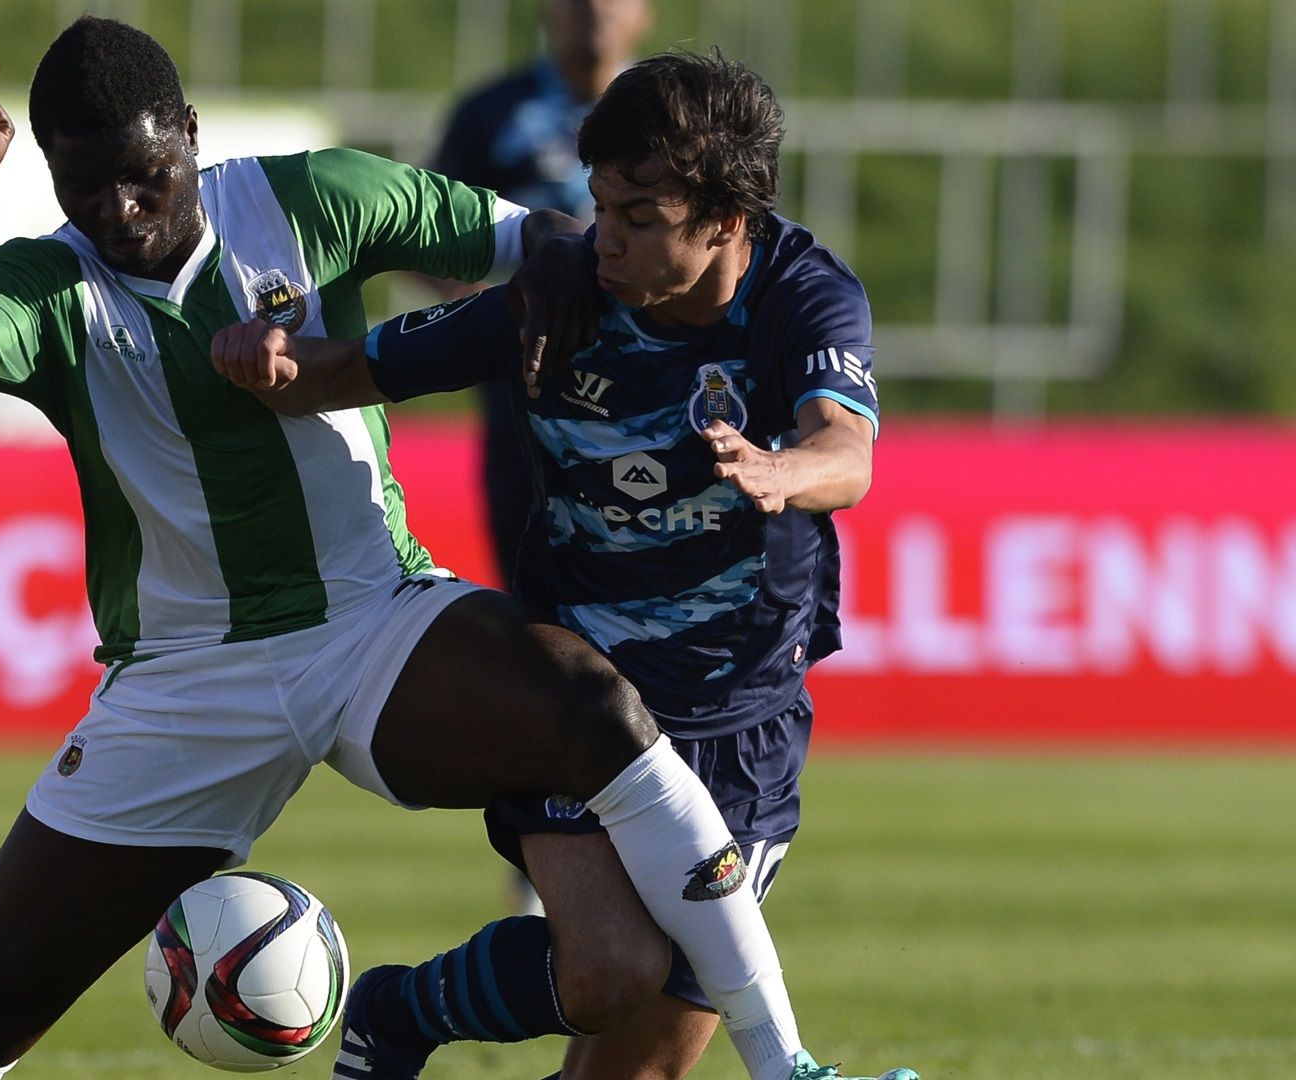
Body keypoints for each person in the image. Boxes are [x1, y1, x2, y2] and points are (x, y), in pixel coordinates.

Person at [0, 19, 889, 1080]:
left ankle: (783, 1066)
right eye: (85, 188)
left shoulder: (317, 196)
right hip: (183, 677)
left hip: (371, 621)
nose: (120, 210)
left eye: (145, 176)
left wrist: (563, 273)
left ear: (190, 135)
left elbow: (540, 239)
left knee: (595, 713)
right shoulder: (49, 285)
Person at [211, 50, 909, 1080]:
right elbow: (354, 368)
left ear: (726, 220)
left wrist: (780, 470)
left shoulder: (802, 294)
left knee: (636, 1069)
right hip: (577, 703)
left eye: (638, 217)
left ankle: (403, 1014)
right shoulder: (562, 295)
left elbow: (846, 453)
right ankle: (400, 1011)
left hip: (742, 710)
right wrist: (270, 362)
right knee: (607, 970)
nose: (604, 237)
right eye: (601, 205)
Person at [432, 0, 652, 594]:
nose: (596, 9)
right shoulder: (490, 113)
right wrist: (479, 300)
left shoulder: (677, 115)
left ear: (646, 12)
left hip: (652, 377)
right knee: (532, 585)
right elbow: (425, 239)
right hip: (527, 383)